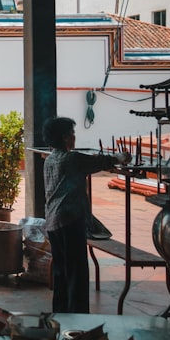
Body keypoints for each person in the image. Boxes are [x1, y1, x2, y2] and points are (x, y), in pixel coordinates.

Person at [42, 116, 129, 313]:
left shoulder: (50, 160)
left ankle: (61, 314)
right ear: (65, 138)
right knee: (77, 274)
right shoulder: (71, 159)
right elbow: (100, 162)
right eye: (72, 134)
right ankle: (79, 319)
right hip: (70, 221)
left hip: (53, 222)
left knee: (61, 272)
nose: (74, 138)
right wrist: (120, 158)